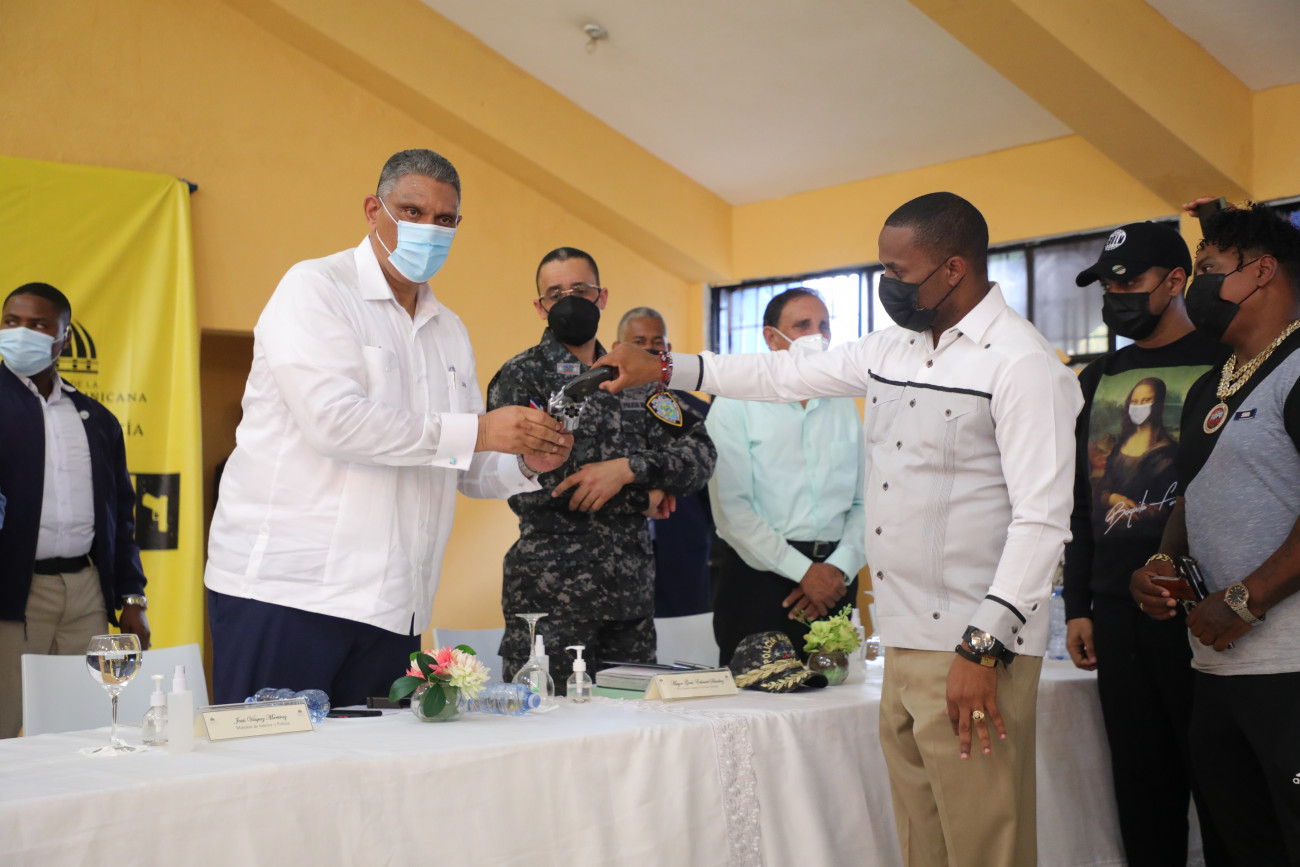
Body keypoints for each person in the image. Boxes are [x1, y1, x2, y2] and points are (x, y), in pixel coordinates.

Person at [599, 192, 1081, 867]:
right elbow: (781, 373)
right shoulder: (892, 348)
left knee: (985, 843)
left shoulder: (1021, 364)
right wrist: (667, 368)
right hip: (903, 638)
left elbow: (1042, 523)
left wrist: (982, 648)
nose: (886, 284)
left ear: (953, 268)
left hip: (972, 646)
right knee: (923, 841)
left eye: (898, 271)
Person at [205, 149, 573, 707]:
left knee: (376, 762)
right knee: (269, 758)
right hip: (292, 592)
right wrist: (479, 432)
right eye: (412, 211)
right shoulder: (315, 288)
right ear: (373, 210)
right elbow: (336, 424)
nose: (428, 229)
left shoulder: (449, 330)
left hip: (397, 603)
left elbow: (465, 465)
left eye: (444, 219)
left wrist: (525, 460)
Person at [1132, 201, 1300, 865]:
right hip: (1216, 668)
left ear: (1261, 272)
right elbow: (1193, 494)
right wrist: (1162, 560)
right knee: (1238, 845)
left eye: (1208, 269)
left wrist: (1245, 598)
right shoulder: (1212, 384)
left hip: (1290, 670)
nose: (1195, 287)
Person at [1065, 221, 1229, 866]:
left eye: (1129, 281)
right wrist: (1079, 603)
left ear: (1175, 281)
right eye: (1107, 286)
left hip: (1205, 608)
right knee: (1141, 792)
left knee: (1223, 792)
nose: (1116, 295)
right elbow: (1079, 501)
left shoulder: (1225, 362)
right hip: (1115, 612)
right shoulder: (1096, 378)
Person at [486, 248, 716, 690]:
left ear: (602, 297)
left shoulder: (636, 377)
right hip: (549, 598)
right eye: (556, 293)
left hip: (630, 598)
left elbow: (700, 453)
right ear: (540, 307)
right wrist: (643, 495)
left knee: (634, 724)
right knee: (547, 725)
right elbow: (530, 480)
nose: (569, 300)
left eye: (580, 289)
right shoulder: (522, 376)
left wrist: (629, 469)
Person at [0, 282, 150, 738]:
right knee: (5, 725)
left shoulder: (97, 419)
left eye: (38, 325)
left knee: (86, 729)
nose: (21, 333)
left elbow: (120, 518)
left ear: (64, 338)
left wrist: (132, 599)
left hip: (86, 592)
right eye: (11, 322)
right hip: (14, 594)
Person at [707, 287, 865, 665]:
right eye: (803, 325)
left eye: (824, 325)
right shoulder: (735, 401)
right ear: (771, 337)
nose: (817, 335)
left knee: (836, 695)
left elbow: (865, 501)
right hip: (759, 579)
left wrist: (838, 568)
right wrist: (804, 572)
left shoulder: (843, 402)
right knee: (755, 697)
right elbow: (732, 511)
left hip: (835, 580)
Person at [614, 306, 715, 619]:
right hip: (613, 556)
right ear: (618, 348)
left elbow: (711, 484)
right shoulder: (597, 405)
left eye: (657, 342)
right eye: (639, 342)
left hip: (682, 549)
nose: (649, 349)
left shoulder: (695, 411)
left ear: (668, 351)